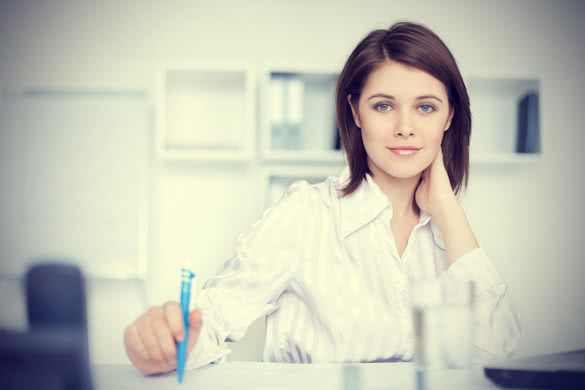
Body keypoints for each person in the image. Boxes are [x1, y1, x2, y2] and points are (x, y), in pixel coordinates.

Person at [123, 21, 521, 375]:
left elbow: (500, 351)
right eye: (384, 105)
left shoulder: (450, 232)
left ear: (449, 117)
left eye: (426, 107)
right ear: (355, 112)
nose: (405, 127)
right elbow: (216, 316)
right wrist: (167, 340)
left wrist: (449, 211)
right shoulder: (306, 213)